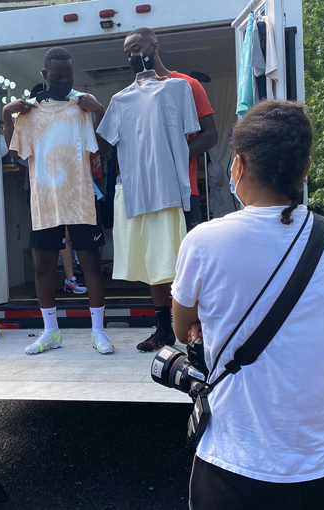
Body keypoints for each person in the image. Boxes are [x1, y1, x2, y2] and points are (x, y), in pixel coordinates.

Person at [172, 101, 324, 509]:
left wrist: (208, 322)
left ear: (239, 165)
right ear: (305, 168)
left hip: (237, 467)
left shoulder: (204, 241)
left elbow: (182, 328)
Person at [3, 47, 113, 355]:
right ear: (45, 75)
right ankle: (51, 332)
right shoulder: (30, 113)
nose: (64, 81)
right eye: (57, 75)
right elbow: (16, 151)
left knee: (91, 264)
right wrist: (7, 114)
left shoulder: (82, 107)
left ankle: (98, 331)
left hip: (80, 198)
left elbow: (102, 148)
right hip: (45, 200)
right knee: (44, 267)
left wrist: (99, 110)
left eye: (69, 75)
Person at [121, 27, 219, 353]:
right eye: (128, 53)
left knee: (189, 261)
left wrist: (174, 159)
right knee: (156, 261)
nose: (133, 56)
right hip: (149, 192)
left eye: (137, 48)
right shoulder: (129, 97)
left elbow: (210, 134)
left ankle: (198, 328)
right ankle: (164, 329)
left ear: (154, 46)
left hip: (183, 189)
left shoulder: (186, 85)